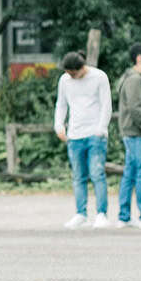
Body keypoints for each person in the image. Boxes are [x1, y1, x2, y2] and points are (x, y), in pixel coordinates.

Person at [54, 51, 113, 229]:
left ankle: (102, 214)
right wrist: (59, 125)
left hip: (95, 133)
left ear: (82, 68)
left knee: (97, 174)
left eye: (74, 73)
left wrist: (101, 129)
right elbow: (61, 103)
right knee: (78, 176)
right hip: (75, 134)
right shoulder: (64, 80)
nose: (71, 76)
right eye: (68, 73)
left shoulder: (99, 77)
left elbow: (106, 104)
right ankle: (81, 213)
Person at [115, 43, 141, 229]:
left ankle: (124, 216)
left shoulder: (134, 78)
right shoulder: (135, 80)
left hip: (131, 131)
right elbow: (134, 107)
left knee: (130, 173)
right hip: (135, 132)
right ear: (139, 58)